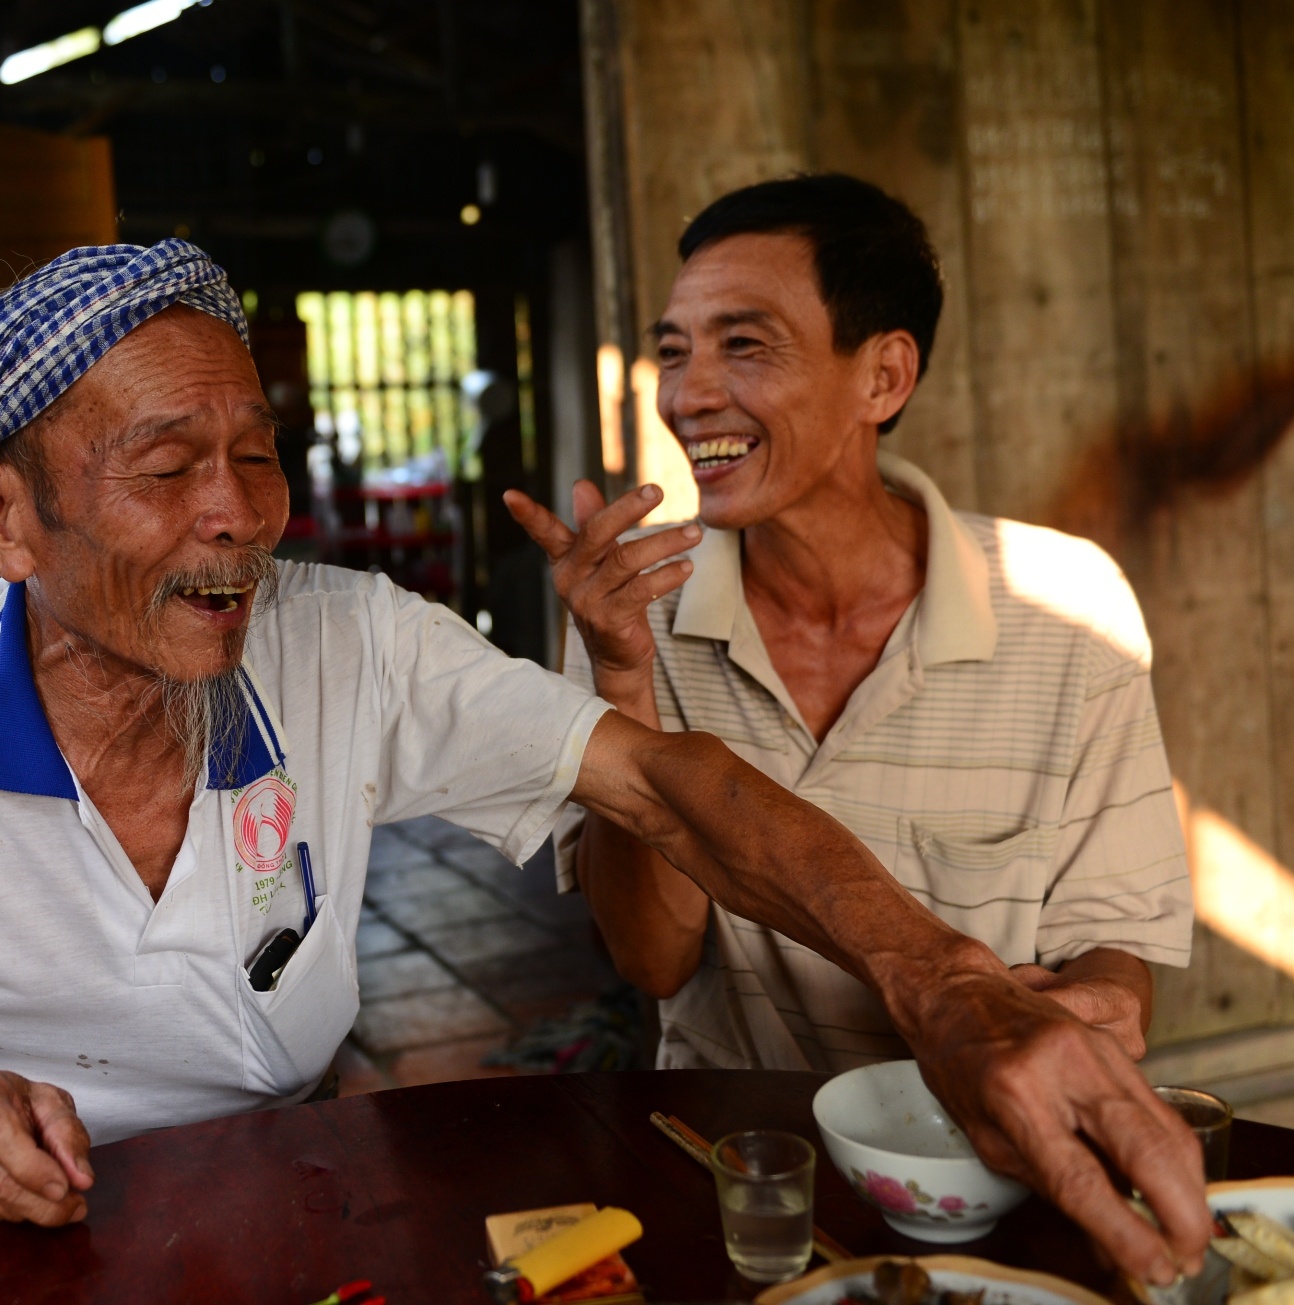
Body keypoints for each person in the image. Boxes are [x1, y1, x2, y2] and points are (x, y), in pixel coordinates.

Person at [0, 238, 1207, 1282]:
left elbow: (665, 786)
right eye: (169, 471)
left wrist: (941, 980)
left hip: (276, 1220)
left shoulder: (343, 639)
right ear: (7, 517)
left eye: (257, 455)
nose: (242, 514)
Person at [509, 176, 1191, 1085]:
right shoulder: (637, 606)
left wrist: (1098, 1003)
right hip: (742, 1158)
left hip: (973, 1148)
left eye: (744, 345)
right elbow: (651, 963)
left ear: (884, 375)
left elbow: (1114, 944)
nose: (688, 395)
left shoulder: (1069, 608)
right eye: (674, 353)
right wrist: (622, 680)